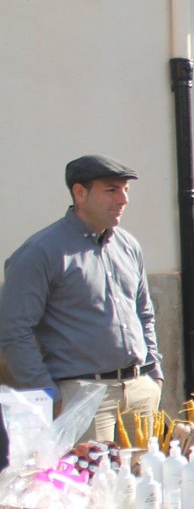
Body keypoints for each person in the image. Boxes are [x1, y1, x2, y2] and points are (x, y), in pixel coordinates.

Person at [0, 155, 164, 443]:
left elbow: (144, 313)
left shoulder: (128, 246)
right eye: (112, 190)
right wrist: (48, 395)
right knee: (91, 486)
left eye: (126, 190)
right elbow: (14, 332)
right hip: (84, 397)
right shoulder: (40, 252)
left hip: (139, 391)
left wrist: (154, 374)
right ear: (79, 193)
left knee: (143, 480)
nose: (123, 199)